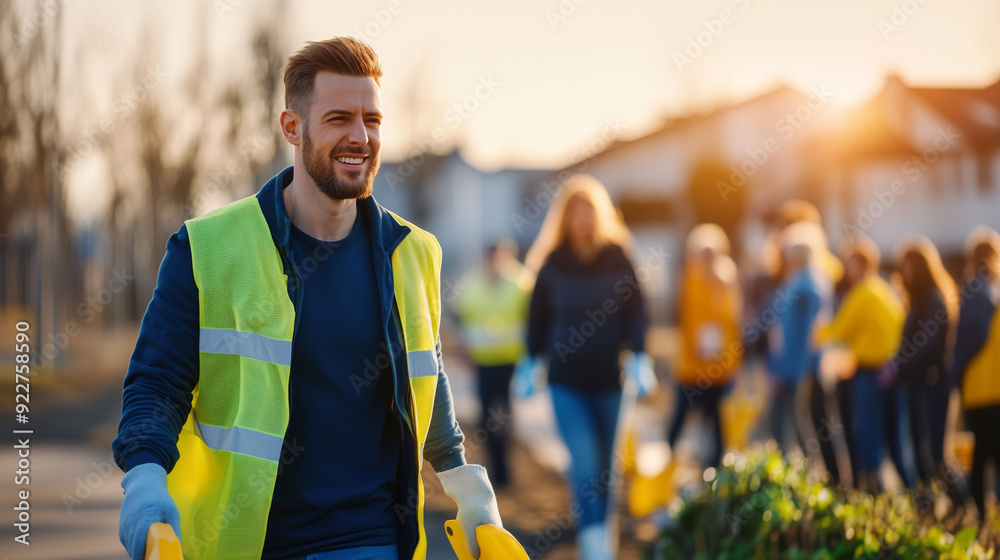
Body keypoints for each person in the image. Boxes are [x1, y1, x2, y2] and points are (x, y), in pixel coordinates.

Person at [112, 38, 504, 560]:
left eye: (373, 120)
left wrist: (469, 491)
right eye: (339, 118)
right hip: (245, 544)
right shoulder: (205, 249)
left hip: (373, 542)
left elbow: (425, 382)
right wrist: (143, 484)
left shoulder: (413, 254)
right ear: (293, 128)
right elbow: (157, 385)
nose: (360, 137)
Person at [515, 174, 654, 560]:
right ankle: (594, 547)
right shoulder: (552, 264)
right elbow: (537, 319)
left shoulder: (619, 257)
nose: (581, 219)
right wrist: (529, 361)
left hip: (611, 380)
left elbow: (638, 312)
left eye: (588, 211)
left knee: (608, 471)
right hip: (565, 382)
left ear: (600, 214)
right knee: (585, 465)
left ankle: (601, 539)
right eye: (574, 211)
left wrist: (640, 356)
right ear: (564, 217)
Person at [818, 235, 905, 492]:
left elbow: (837, 330)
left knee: (868, 438)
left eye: (848, 263)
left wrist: (814, 333)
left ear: (858, 264)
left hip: (869, 374)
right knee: (894, 441)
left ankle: (874, 495)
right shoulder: (883, 288)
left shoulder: (862, 292)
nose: (845, 269)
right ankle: (910, 495)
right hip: (889, 371)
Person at [454, 241, 531, 487]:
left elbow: (533, 319)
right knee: (486, 417)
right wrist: (462, 348)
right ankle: (494, 466)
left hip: (510, 361)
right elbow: (460, 320)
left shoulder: (522, 283)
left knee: (503, 416)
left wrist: (531, 357)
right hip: (483, 362)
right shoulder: (472, 284)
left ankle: (504, 470)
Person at [668, 223, 741, 468]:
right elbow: (684, 320)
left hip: (720, 368)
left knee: (718, 425)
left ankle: (712, 473)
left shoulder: (727, 281)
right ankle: (667, 466)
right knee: (678, 420)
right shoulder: (689, 281)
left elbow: (733, 323)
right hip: (691, 367)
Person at [767, 222, 836, 481]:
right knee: (787, 425)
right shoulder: (798, 280)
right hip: (789, 367)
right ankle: (795, 476)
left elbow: (812, 332)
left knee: (800, 426)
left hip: (799, 368)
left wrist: (798, 370)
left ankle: (806, 479)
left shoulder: (810, 284)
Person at [891, 235, 958, 489]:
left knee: (936, 453)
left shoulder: (933, 299)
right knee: (921, 449)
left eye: (907, 266)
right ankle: (928, 506)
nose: (903, 272)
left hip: (932, 383)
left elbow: (927, 345)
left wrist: (900, 365)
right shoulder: (918, 300)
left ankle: (961, 503)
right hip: (918, 383)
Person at [950, 226, 1000, 518]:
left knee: (982, 453)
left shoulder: (974, 289)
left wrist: (954, 373)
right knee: (987, 450)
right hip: (995, 385)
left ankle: (981, 512)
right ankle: (985, 514)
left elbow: (969, 339)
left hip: (979, 386)